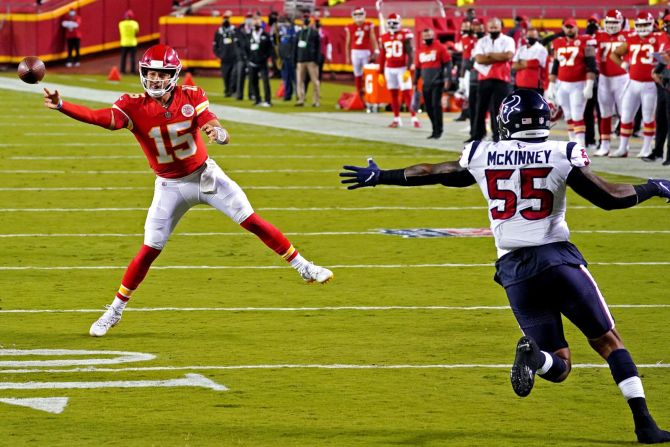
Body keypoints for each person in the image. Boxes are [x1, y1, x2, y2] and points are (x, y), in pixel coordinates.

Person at [340, 89, 670, 445]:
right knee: (608, 342)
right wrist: (654, 186)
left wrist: (381, 176)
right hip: (556, 259)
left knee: (558, 366)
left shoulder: (483, 154)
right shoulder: (562, 152)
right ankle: (645, 425)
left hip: (514, 270)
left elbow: (432, 172)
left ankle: (535, 358)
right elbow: (610, 197)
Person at [42, 44, 333, 337]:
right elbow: (99, 117)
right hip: (169, 185)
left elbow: (215, 126)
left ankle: (304, 266)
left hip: (206, 177)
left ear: (173, 75)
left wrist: (218, 133)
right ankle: (114, 311)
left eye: (161, 74)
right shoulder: (133, 105)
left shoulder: (191, 96)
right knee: (148, 250)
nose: (155, 79)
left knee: (251, 220)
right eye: (150, 73)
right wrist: (62, 105)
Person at [611, 12, 667, 158]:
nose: (642, 28)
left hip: (650, 85)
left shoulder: (658, 37)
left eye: (645, 24)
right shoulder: (631, 39)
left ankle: (647, 148)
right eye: (640, 25)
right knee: (626, 116)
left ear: (651, 24)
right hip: (633, 82)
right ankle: (623, 148)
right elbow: (614, 54)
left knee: (648, 117)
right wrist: (624, 64)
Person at [546, 18, 597, 147]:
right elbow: (556, 65)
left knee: (577, 115)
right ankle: (572, 142)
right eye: (567, 27)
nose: (570, 29)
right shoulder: (558, 42)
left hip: (578, 84)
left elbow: (591, 65)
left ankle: (580, 144)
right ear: (563, 28)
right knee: (568, 115)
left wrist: (589, 84)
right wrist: (551, 85)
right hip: (562, 84)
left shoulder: (585, 41)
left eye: (572, 26)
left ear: (577, 28)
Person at [470, 17, 515, 142]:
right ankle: (477, 135)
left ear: (501, 27)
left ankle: (498, 135)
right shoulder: (482, 41)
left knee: (498, 109)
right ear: (487, 28)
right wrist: (499, 56)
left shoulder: (508, 40)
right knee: (480, 108)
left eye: (496, 27)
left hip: (502, 79)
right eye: (491, 27)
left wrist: (489, 55)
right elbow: (479, 59)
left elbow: (508, 56)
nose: (493, 29)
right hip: (484, 78)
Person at [593, 9, 629, 156]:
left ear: (621, 23)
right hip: (604, 78)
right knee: (605, 113)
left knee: (624, 113)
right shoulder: (599, 35)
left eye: (615, 22)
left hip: (622, 78)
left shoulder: (627, 36)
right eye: (609, 22)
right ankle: (605, 144)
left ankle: (623, 146)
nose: (612, 25)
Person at [378, 13, 419, 128]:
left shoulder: (405, 34)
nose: (392, 25)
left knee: (407, 94)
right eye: (390, 23)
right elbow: (382, 56)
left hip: (401, 68)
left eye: (394, 23)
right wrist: (380, 72)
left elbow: (410, 53)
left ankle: (414, 118)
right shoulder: (384, 37)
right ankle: (396, 119)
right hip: (389, 68)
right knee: (393, 94)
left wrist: (408, 69)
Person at [415, 28, 452, 139]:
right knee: (429, 107)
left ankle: (438, 130)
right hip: (426, 82)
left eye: (429, 35)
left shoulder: (440, 47)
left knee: (436, 106)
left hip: (437, 81)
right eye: (425, 36)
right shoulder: (420, 50)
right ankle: (434, 129)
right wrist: (414, 82)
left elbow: (448, 64)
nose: (427, 38)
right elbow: (417, 68)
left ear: (433, 35)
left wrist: (447, 79)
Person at [345, 8, 378, 99]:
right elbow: (348, 42)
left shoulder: (368, 25)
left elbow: (373, 38)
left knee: (367, 74)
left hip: (365, 52)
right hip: (355, 52)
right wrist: (347, 56)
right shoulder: (350, 26)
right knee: (357, 74)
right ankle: (359, 95)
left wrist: (376, 50)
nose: (359, 16)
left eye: (360, 14)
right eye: (357, 14)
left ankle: (368, 93)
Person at [245, 15, 274, 107]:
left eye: (257, 22)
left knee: (265, 82)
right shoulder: (249, 35)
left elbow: (270, 49)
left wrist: (266, 57)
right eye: (254, 22)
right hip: (252, 62)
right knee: (254, 82)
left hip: (263, 62)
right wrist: (248, 59)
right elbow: (245, 48)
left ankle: (268, 100)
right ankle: (257, 99)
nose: (256, 24)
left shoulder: (266, 35)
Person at [294, 13, 321, 107]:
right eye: (304, 18)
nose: (305, 20)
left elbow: (318, 48)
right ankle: (300, 99)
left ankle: (316, 100)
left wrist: (317, 60)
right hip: (300, 60)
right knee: (299, 81)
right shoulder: (298, 34)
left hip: (311, 60)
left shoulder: (314, 33)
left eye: (307, 18)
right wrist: (295, 60)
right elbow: (295, 48)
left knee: (315, 81)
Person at [512, 27, 547, 93]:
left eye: (533, 36)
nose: (530, 38)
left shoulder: (541, 49)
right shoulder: (521, 49)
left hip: (535, 84)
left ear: (537, 37)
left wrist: (521, 62)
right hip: (519, 83)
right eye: (529, 36)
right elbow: (514, 65)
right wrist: (528, 63)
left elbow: (536, 63)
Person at [212, 10, 238, 97]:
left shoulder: (234, 30)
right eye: (224, 18)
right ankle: (227, 91)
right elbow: (215, 45)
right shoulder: (219, 32)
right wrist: (219, 55)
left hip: (234, 58)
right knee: (226, 76)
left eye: (227, 18)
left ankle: (233, 91)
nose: (226, 20)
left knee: (234, 75)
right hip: (224, 58)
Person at [235, 13, 254, 101]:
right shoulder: (239, 30)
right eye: (248, 18)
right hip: (241, 57)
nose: (249, 20)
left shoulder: (254, 30)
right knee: (240, 76)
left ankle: (251, 94)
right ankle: (239, 94)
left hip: (251, 57)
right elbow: (237, 45)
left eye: (251, 18)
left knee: (252, 76)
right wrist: (241, 55)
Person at [278, 17, 297, 101]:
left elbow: (294, 43)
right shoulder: (281, 31)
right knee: (286, 77)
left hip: (291, 57)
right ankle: (287, 94)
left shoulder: (294, 30)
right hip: (284, 57)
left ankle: (299, 95)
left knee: (294, 77)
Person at [119, 10, 140, 74]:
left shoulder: (121, 24)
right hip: (132, 43)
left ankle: (122, 71)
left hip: (124, 43)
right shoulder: (135, 23)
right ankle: (132, 71)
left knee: (123, 58)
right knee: (132, 58)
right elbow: (137, 32)